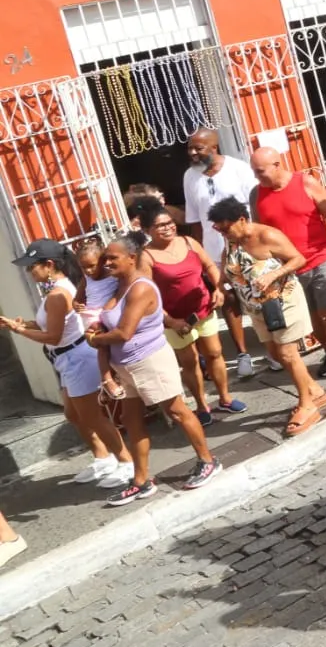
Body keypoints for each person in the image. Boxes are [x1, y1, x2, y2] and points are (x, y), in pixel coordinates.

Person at [88, 234, 220, 504]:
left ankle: (208, 460)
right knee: (133, 422)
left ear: (132, 258)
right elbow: (108, 317)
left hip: (150, 361)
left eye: (113, 257)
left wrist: (94, 339)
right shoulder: (119, 286)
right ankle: (141, 481)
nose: (107, 262)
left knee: (177, 411)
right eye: (106, 257)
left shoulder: (140, 288)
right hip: (126, 367)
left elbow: (124, 332)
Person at [1, 240, 133, 490]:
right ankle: (103, 458)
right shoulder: (58, 290)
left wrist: (19, 330)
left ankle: (126, 462)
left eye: (32, 267)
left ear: (49, 265)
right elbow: (47, 326)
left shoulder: (57, 295)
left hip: (76, 358)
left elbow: (52, 336)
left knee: (93, 417)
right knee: (73, 414)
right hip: (68, 358)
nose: (30, 272)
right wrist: (19, 324)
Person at [208, 197, 326, 437]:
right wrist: (219, 285)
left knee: (287, 353)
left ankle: (307, 405)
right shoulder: (232, 240)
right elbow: (228, 262)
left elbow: (298, 259)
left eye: (225, 227)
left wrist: (274, 274)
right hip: (256, 307)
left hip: (282, 301)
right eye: (219, 229)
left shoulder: (268, 236)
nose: (223, 232)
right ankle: (315, 391)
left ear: (242, 220)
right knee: (275, 354)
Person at [128, 198, 247, 425]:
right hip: (175, 319)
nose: (168, 227)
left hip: (204, 308)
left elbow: (210, 266)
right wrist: (170, 321)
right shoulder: (146, 257)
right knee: (190, 361)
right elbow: (147, 296)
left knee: (214, 353)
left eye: (170, 222)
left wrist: (218, 289)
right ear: (146, 231)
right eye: (161, 225)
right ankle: (202, 405)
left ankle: (225, 398)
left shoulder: (189, 242)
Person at [251, 148, 326, 381]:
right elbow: (259, 231)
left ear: (277, 165)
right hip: (287, 267)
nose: (257, 177)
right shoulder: (256, 194)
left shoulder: (306, 183)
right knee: (310, 315)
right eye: (254, 172)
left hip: (320, 257)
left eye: (260, 171)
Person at [181, 129, 259, 375]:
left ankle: (274, 345)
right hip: (214, 251)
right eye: (190, 148)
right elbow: (194, 219)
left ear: (213, 148)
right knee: (228, 299)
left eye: (198, 148)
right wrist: (199, 253)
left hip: (247, 247)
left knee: (259, 294)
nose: (192, 153)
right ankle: (243, 354)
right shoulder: (189, 177)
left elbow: (256, 204)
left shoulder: (238, 169)